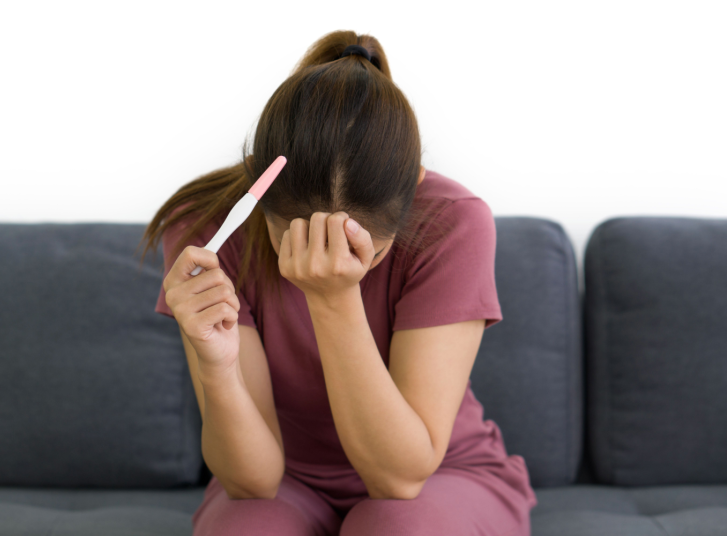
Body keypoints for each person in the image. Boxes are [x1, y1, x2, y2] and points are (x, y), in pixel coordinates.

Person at [140, 30, 538, 536]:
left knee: (393, 527)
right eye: (296, 244)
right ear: (258, 190)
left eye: (362, 255)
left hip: (440, 473)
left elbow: (397, 479)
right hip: (287, 479)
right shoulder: (209, 231)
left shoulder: (453, 222)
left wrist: (334, 302)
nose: (323, 264)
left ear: (413, 184)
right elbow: (253, 483)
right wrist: (218, 368)